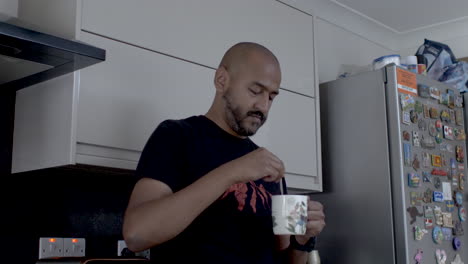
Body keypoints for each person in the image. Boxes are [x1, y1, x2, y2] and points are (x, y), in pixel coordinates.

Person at [122, 42, 325, 263]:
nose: (264, 106)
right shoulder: (176, 136)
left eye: (271, 97)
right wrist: (233, 171)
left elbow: (285, 258)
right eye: (255, 91)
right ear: (222, 80)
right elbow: (136, 234)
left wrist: (303, 240)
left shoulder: (268, 165)